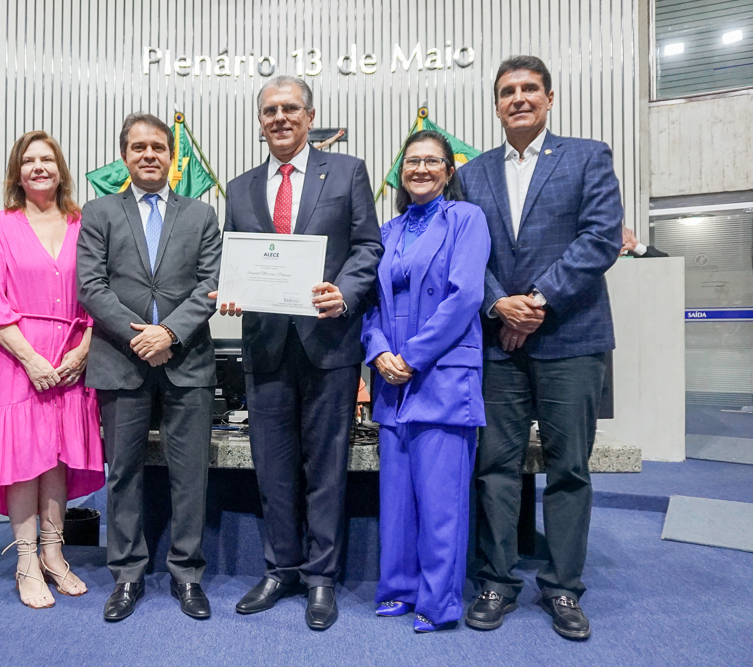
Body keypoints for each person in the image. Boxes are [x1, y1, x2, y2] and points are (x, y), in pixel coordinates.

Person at [456, 55, 623, 640]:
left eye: (530, 89)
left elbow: (600, 239)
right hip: (498, 345)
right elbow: (464, 253)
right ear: (496, 104)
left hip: (571, 341)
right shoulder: (471, 174)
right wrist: (500, 304)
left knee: (569, 469)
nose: (519, 98)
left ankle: (563, 588)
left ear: (549, 98)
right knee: (495, 467)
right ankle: (497, 581)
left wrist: (536, 303)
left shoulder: (587, 156)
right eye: (508, 91)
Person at [215, 75, 383, 631]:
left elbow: (368, 246)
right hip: (264, 347)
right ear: (259, 121)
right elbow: (235, 259)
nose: (280, 118)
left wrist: (347, 291)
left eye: (290, 109)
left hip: (328, 345)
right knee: (273, 466)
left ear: (310, 117)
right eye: (270, 111)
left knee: (326, 467)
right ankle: (279, 567)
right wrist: (232, 293)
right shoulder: (238, 189)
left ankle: (320, 579)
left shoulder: (348, 171)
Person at [78, 113, 222, 622]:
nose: (149, 155)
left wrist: (170, 333)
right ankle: (127, 574)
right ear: (125, 157)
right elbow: (90, 286)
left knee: (190, 476)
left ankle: (186, 575)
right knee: (123, 474)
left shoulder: (202, 216)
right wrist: (142, 336)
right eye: (138, 147)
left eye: (158, 147)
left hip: (188, 360)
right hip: (122, 358)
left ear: (173, 157)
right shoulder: (98, 212)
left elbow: (210, 285)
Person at [0, 131, 106, 609]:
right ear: (17, 171)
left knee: (59, 459)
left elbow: (101, 293)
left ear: (60, 168)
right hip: (15, 358)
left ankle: (53, 553)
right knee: (24, 462)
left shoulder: (83, 223)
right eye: (28, 160)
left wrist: (83, 350)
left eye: (47, 159)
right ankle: (25, 560)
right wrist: (30, 359)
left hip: (71, 357)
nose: (38, 167)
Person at [361, 130, 490, 633]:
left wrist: (409, 357)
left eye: (431, 161)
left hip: (440, 375)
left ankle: (438, 604)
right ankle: (397, 588)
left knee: (441, 503)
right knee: (396, 500)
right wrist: (377, 352)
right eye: (411, 161)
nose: (420, 169)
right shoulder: (387, 230)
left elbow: (464, 297)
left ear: (448, 171)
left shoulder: (466, 219)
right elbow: (369, 304)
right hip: (391, 379)